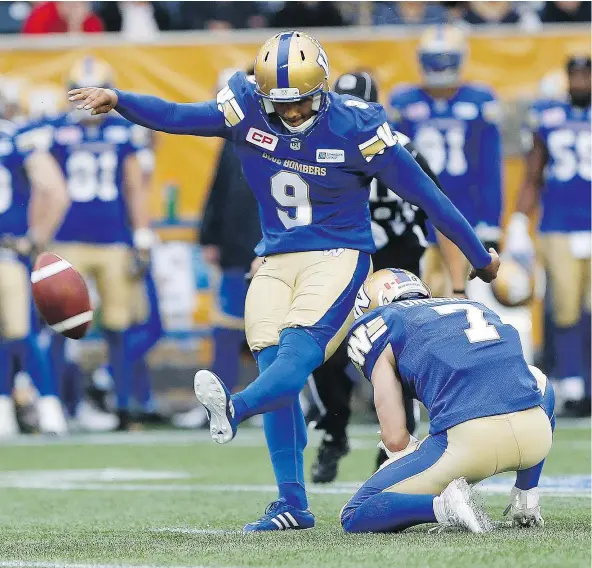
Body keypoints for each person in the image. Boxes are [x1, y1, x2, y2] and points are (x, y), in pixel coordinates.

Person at [69, 30, 499, 532]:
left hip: (338, 255)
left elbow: (431, 197)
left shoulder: (356, 126)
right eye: (282, 104)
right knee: (275, 364)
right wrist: (120, 101)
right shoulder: (247, 107)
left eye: (301, 103)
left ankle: (235, 406)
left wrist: (479, 259)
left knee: (296, 355)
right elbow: (178, 117)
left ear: (323, 88)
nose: (292, 114)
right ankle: (292, 503)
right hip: (275, 255)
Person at [341, 268, 555, 533]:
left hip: (467, 445)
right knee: (539, 380)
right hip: (535, 435)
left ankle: (444, 506)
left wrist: (412, 458)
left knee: (354, 514)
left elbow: (396, 438)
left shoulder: (381, 323)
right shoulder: (472, 305)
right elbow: (534, 384)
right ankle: (526, 497)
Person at [308, 70, 444, 483]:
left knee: (401, 358)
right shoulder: (316, 149)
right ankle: (334, 430)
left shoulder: (401, 149)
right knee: (319, 348)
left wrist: (456, 277)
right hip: (343, 265)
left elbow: (439, 210)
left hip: (397, 270)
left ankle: (396, 446)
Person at [44, 56, 155, 431]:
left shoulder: (125, 132)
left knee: (119, 326)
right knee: (60, 327)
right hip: (67, 240)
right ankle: (56, 405)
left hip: (113, 242)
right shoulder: (55, 132)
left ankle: (122, 407)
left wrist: (141, 235)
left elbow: (134, 186)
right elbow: (44, 189)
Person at [505, 56, 591, 417]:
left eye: (586, 74)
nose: (581, 81)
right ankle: (573, 384)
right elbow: (533, 173)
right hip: (558, 224)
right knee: (567, 305)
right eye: (575, 74)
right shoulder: (547, 116)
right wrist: (520, 220)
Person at [390, 24, 502, 298]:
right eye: (433, 59)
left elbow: (489, 169)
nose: (439, 66)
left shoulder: (479, 100)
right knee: (421, 296)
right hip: (420, 216)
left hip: (465, 214)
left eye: (445, 59)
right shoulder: (403, 101)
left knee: (463, 300)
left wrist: (491, 221)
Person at [0, 105, 70, 436]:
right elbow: (55, 191)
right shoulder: (16, 136)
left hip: (9, 254)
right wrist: (36, 238)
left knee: (16, 335)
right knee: (21, 335)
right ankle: (49, 409)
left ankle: (11, 413)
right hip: (9, 252)